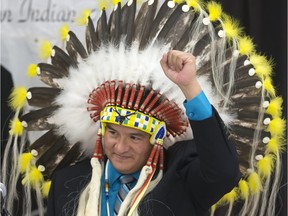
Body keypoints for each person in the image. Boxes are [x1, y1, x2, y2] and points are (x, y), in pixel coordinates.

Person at [47, 50, 241, 216]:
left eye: (134, 137)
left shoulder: (180, 178)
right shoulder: (66, 182)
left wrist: (188, 86)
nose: (120, 147)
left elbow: (223, 173)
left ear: (156, 140)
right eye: (113, 133)